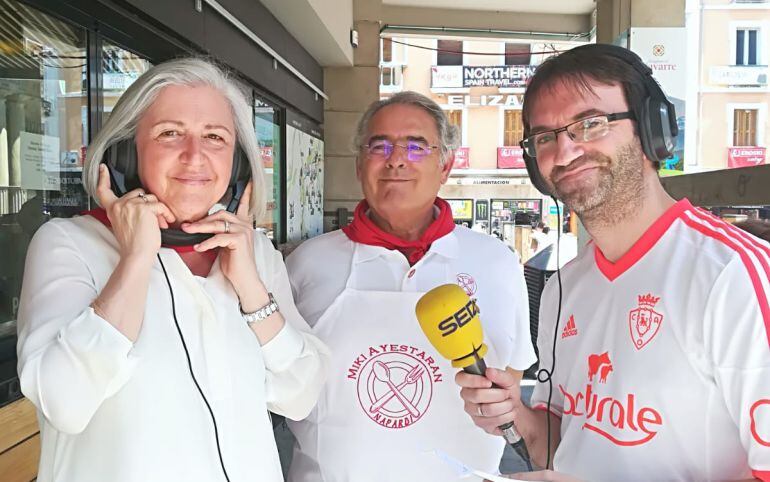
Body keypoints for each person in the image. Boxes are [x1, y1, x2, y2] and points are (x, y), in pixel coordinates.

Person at [456, 44, 770, 481]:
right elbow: (561, 446)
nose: (564, 153)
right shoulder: (562, 289)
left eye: (590, 124)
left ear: (652, 129)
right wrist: (517, 416)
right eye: (546, 137)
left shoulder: (734, 273)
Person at [16, 58, 329, 482]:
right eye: (170, 133)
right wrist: (135, 260)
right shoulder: (69, 243)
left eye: (215, 137)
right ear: (127, 152)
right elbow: (64, 403)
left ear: (236, 163)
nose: (194, 156)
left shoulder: (253, 251)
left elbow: (302, 395)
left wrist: (251, 288)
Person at [284, 91, 536, 481]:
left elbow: (513, 391)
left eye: (416, 147)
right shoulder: (307, 263)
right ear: (358, 165)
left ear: (446, 165)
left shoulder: (496, 262)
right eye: (378, 145)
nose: (396, 159)